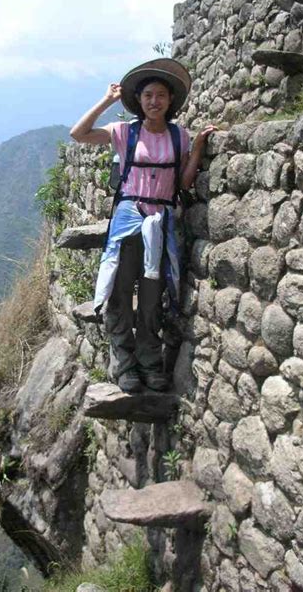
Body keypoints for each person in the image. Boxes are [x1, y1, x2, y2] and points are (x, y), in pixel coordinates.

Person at [70, 58, 217, 393]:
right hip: (128, 222)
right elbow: (78, 134)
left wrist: (195, 149)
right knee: (120, 292)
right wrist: (107, 100)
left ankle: (150, 363)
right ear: (139, 100)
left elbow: (183, 181)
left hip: (162, 223)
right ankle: (124, 365)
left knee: (153, 296)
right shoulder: (124, 132)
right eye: (148, 95)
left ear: (170, 101)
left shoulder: (179, 136)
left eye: (161, 95)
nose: (154, 101)